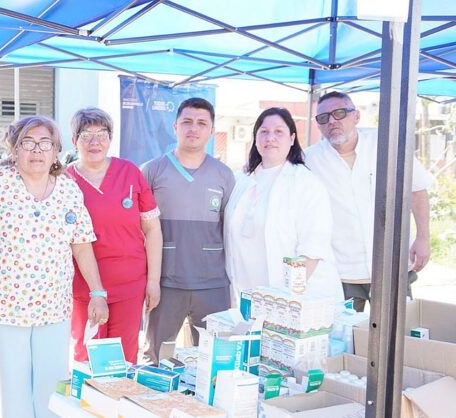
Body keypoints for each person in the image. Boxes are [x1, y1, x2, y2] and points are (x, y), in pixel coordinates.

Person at [0, 115, 108, 418]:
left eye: (45, 144)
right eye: (28, 143)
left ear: (56, 152)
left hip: (53, 307)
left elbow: (82, 244)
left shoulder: (68, 190)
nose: (36, 150)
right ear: (14, 148)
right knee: (13, 387)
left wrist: (97, 292)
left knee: (53, 385)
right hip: (4, 307)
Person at [304, 91, 435, 311]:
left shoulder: (386, 143)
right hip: (342, 270)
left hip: (391, 263)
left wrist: (423, 237)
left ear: (356, 116)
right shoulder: (309, 160)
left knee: (397, 336)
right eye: (323, 117)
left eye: (339, 113)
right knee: (347, 339)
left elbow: (417, 189)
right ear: (318, 125)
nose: (332, 121)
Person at [140, 97, 236, 365]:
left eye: (201, 123)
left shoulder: (224, 175)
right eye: (187, 122)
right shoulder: (152, 171)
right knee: (157, 358)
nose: (194, 128)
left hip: (212, 284)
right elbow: (142, 229)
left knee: (213, 360)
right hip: (167, 283)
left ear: (211, 131)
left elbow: (228, 227)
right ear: (175, 126)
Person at [66, 107, 162, 364]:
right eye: (86, 135)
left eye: (102, 134)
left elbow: (152, 229)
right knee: (86, 359)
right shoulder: (65, 182)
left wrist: (153, 281)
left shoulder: (130, 172)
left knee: (123, 359)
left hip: (130, 285)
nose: (94, 142)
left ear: (111, 139)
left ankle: (119, 404)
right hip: (82, 288)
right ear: (74, 141)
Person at [224, 108, 343, 302]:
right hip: (247, 294)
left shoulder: (307, 183)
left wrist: (286, 300)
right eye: (264, 132)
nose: (270, 137)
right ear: (255, 138)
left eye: (279, 132)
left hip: (292, 300)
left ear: (292, 138)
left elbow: (313, 247)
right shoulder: (241, 179)